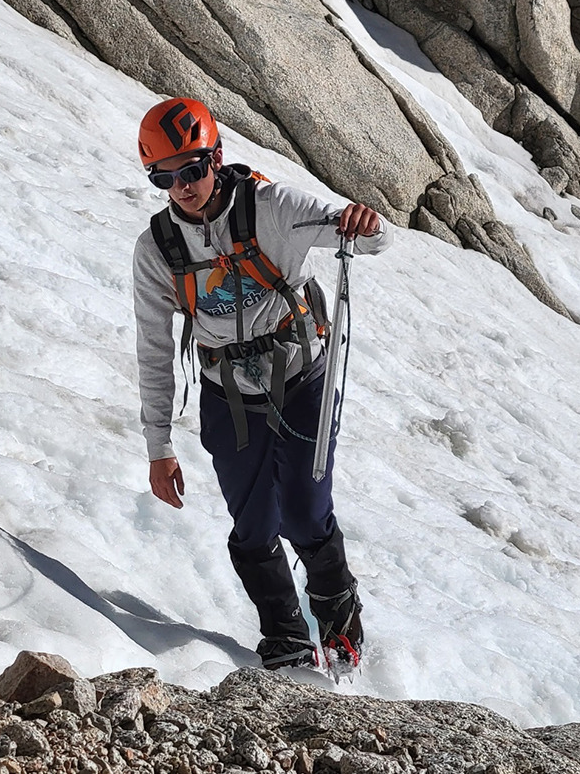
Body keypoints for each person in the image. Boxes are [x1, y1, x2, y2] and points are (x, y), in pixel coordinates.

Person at [132, 97, 393, 671]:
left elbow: (374, 241)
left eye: (192, 169)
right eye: (164, 176)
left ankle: (338, 613)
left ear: (216, 158)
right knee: (251, 529)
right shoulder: (157, 250)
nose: (182, 186)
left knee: (302, 511)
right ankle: (285, 637)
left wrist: (363, 222)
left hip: (303, 375)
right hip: (227, 392)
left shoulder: (273, 208)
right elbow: (153, 347)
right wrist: (159, 446)